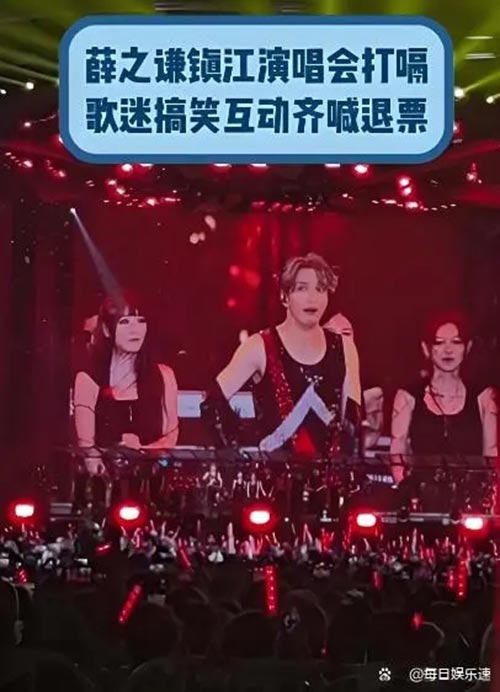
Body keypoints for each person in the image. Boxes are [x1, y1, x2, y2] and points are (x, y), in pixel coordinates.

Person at [202, 253, 362, 460]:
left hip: (331, 475)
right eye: (302, 288)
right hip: (273, 473)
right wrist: (235, 457)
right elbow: (212, 403)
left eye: (320, 289)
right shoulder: (259, 346)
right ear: (284, 296)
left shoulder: (344, 348)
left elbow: (352, 422)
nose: (312, 298)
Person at [73, 291, 179, 476]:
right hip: (105, 481)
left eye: (140, 321)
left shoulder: (164, 376)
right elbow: (87, 449)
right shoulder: (88, 379)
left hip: (151, 478)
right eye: (125, 322)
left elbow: (171, 436)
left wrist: (140, 450)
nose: (134, 330)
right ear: (107, 329)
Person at [390, 310, 497, 486]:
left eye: (456, 342)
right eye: (439, 342)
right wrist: (406, 490)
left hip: (471, 494)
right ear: (426, 348)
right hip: (421, 493)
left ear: (468, 347)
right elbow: (397, 452)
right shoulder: (407, 396)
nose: (448, 350)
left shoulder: (484, 397)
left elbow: (491, 455)